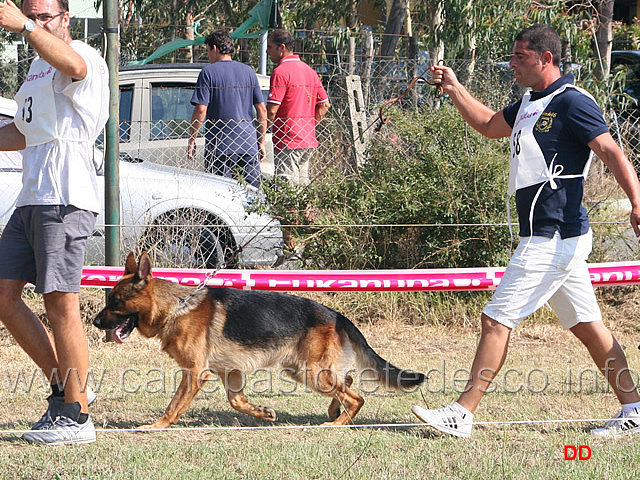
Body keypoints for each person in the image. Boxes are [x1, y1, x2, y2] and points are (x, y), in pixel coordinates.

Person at [411, 24, 640, 438]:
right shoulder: (530, 102)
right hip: (554, 238)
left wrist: (638, 201)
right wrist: (455, 88)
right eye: (512, 56)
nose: (512, 64)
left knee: (495, 319)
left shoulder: (573, 102)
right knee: (589, 328)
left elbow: (610, 151)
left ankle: (461, 413)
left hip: (551, 237)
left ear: (545, 59)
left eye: (520, 57)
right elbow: (488, 125)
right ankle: (634, 409)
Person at [0, 0, 109, 444]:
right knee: (4, 296)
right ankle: (68, 390)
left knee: (60, 303)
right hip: (32, 197)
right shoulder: (35, 70)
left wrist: (26, 26)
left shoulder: (83, 53)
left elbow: (76, 67)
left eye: (46, 15)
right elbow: (24, 133)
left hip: (65, 196)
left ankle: (77, 418)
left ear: (66, 18)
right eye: (33, 13)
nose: (39, 21)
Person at [188, 30, 266, 188]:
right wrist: (261, 141)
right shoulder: (249, 72)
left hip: (220, 146)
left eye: (208, 51)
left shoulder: (208, 73)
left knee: (220, 192)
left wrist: (192, 139)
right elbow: (262, 110)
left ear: (215, 48)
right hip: (248, 144)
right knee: (253, 191)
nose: (208, 56)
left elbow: (201, 109)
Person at [266, 29, 331, 185]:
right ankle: (305, 210)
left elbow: (272, 110)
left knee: (286, 187)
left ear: (281, 48)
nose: (267, 52)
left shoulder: (280, 71)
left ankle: (290, 210)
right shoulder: (309, 70)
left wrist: (260, 135)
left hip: (287, 140)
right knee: (302, 185)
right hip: (307, 139)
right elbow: (325, 104)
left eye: (269, 47)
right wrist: (308, 124)